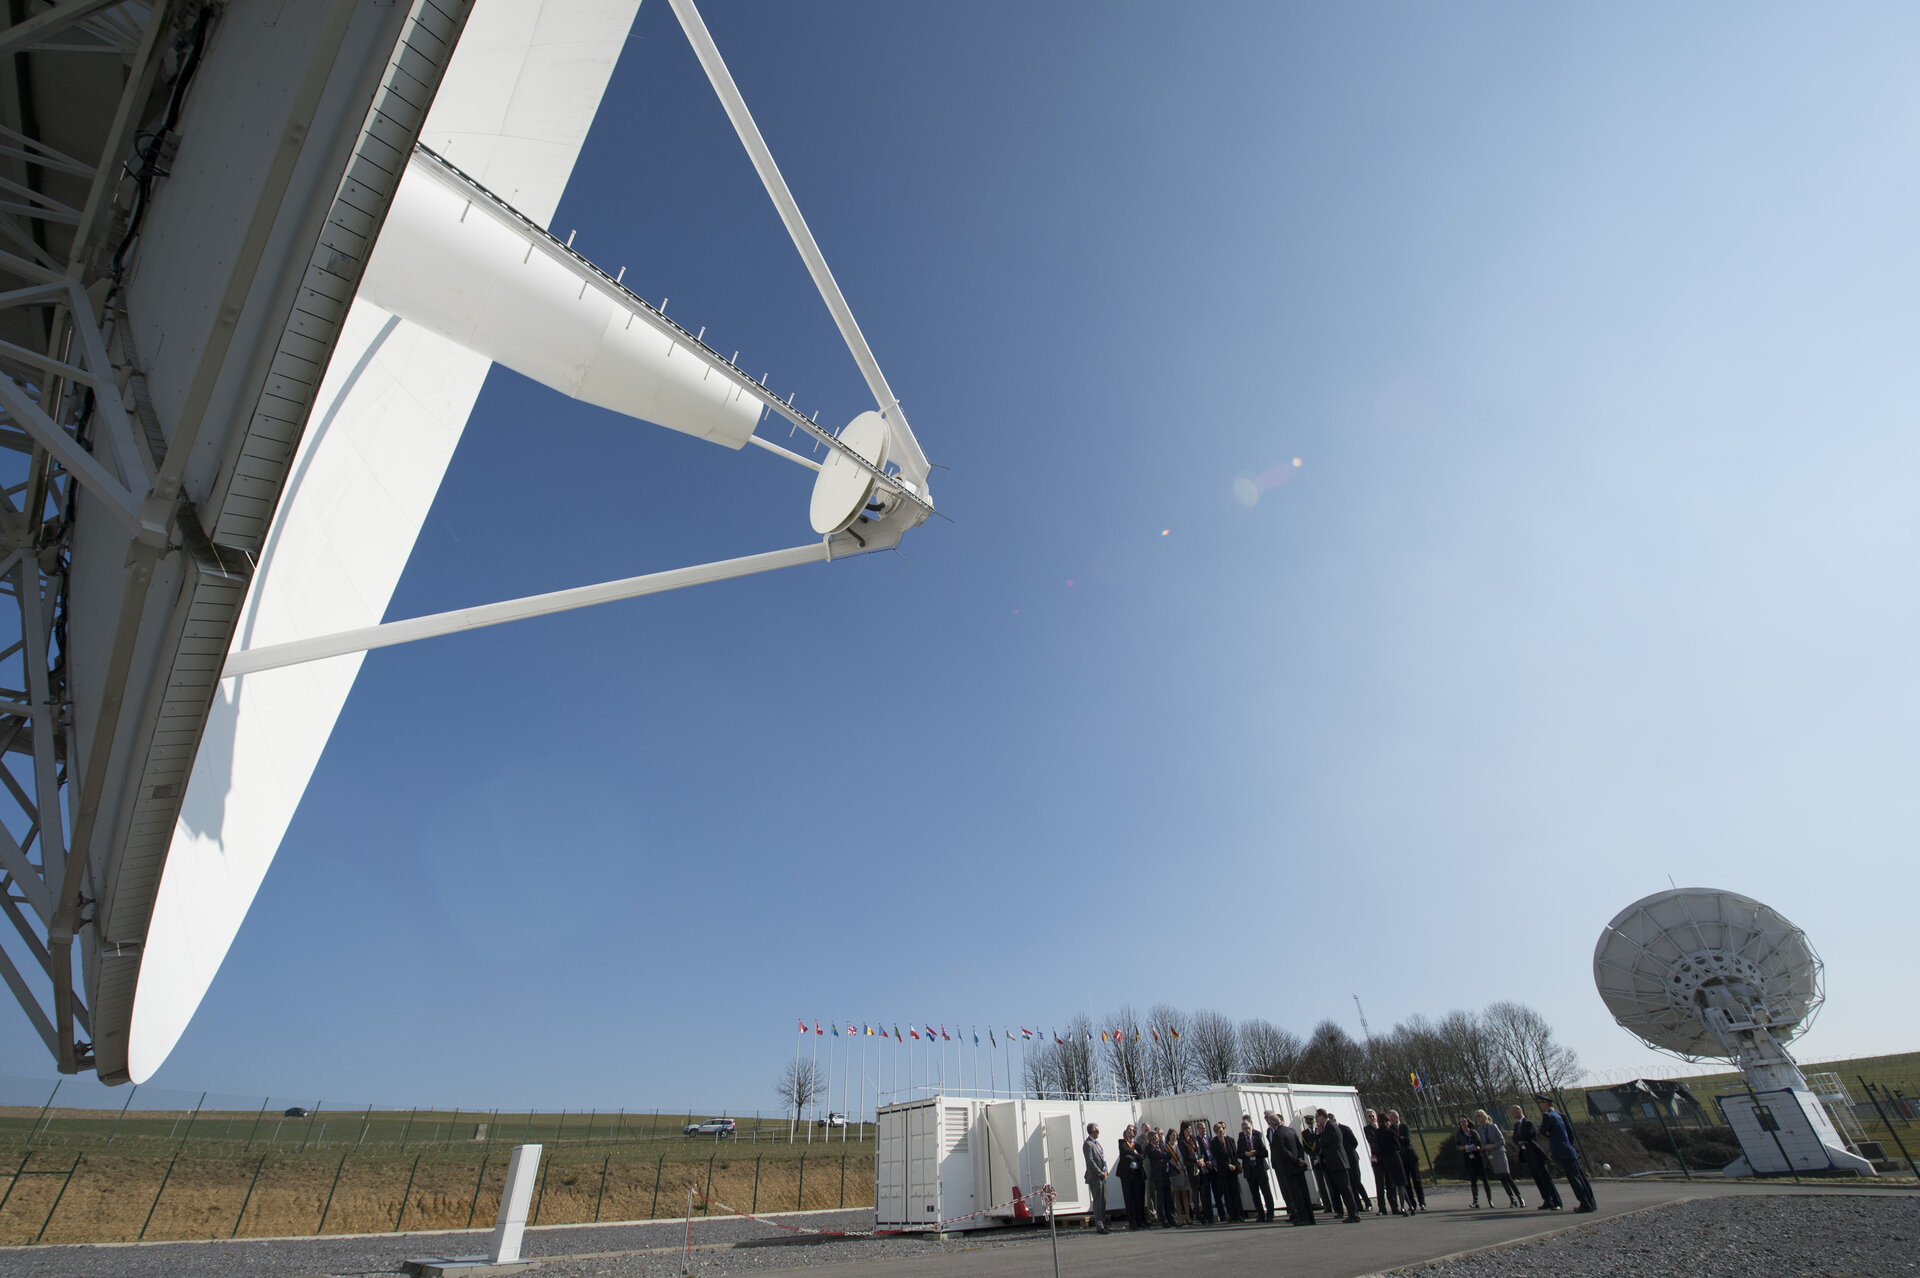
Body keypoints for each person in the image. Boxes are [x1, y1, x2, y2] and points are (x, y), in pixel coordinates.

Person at [1537, 1096, 1596, 1212]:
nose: (1539, 1105)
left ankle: (1585, 1204)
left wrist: (1548, 1132)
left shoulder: (1548, 1116)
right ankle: (1590, 1202)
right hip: (1569, 1149)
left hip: (1561, 1150)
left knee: (1574, 1179)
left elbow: (1543, 1130)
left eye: (1541, 1102)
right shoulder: (1559, 1116)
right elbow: (1570, 1133)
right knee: (1580, 1177)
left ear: (1546, 1104)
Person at [1509, 1104, 1562, 1210]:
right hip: (1527, 1155)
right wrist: (1519, 1140)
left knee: (1546, 1178)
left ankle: (1557, 1201)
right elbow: (1515, 1138)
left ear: (1519, 1110)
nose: (1512, 1114)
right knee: (1538, 1179)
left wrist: (1520, 1138)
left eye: (1514, 1111)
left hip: (1536, 1154)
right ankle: (1547, 1200)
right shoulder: (1516, 1125)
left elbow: (1528, 1135)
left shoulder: (1528, 1123)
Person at [1266, 1111, 1315, 1225]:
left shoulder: (1277, 1135)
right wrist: (1300, 1160)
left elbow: (1283, 1152)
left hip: (1289, 1168)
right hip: (1298, 1167)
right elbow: (1299, 1147)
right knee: (1304, 1192)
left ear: (1272, 1124)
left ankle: (1303, 1217)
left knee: (1296, 1194)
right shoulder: (1291, 1131)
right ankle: (1310, 1217)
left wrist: (1296, 1160)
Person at [1365, 1110, 1413, 1216]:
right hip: (1380, 1159)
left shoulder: (1387, 1129)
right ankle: (1382, 1208)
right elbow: (1372, 1141)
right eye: (1369, 1117)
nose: (1371, 1118)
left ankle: (1395, 1206)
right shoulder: (1368, 1129)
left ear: (1377, 1117)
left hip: (1387, 1159)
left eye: (1373, 1116)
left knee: (1391, 1184)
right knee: (1380, 1184)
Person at [1315, 1113, 1360, 1223]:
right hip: (1334, 1163)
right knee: (1342, 1189)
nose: (1316, 1120)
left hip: (1338, 1162)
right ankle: (1351, 1213)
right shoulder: (1327, 1127)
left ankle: (1353, 1214)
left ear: (1322, 1116)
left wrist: (1318, 1136)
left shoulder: (1330, 1126)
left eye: (1317, 1117)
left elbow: (1324, 1142)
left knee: (1346, 1189)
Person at [1475, 1109, 1522, 1208]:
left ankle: (1519, 1197)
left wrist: (1493, 1145)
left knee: (1507, 1176)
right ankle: (1512, 1199)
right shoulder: (1479, 1130)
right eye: (1477, 1116)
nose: (1479, 1118)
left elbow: (1501, 1140)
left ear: (1484, 1116)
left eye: (1480, 1115)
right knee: (1501, 1178)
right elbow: (1481, 1143)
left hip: (1499, 1153)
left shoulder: (1493, 1126)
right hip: (1491, 1155)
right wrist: (1485, 1147)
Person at [1387, 1110, 1426, 1212]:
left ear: (1397, 1117)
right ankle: (1411, 1203)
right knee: (1406, 1182)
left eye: (1393, 1117)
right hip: (1401, 1159)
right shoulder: (1390, 1129)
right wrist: (1399, 1139)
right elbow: (1393, 1142)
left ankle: (1422, 1202)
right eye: (1390, 1118)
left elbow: (1407, 1140)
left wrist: (1399, 1139)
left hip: (1411, 1156)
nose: (1391, 1120)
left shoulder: (1404, 1127)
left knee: (1416, 1180)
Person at [1239, 1116, 1275, 1222]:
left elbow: (1265, 1153)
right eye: (1245, 1128)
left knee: (1266, 1192)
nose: (1247, 1130)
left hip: (1259, 1168)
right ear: (1242, 1130)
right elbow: (1239, 1153)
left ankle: (1270, 1214)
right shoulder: (1241, 1140)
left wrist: (1256, 1153)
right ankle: (1260, 1214)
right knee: (1255, 1194)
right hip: (1250, 1169)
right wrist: (1246, 1154)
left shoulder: (1257, 1138)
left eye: (1249, 1128)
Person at [1210, 1121, 1246, 1222]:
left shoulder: (1230, 1140)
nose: (1221, 1133)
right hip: (1223, 1171)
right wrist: (1227, 1165)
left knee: (1236, 1193)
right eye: (1218, 1132)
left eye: (1222, 1131)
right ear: (1215, 1133)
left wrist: (1234, 1165)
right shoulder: (1214, 1143)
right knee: (1228, 1194)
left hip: (1233, 1170)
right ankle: (1232, 1215)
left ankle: (1239, 1215)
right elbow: (1217, 1158)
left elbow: (1234, 1154)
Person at [1456, 1115, 1492, 1207]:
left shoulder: (1473, 1132)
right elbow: (1457, 1146)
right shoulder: (1459, 1133)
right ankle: (1475, 1201)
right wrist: (1464, 1147)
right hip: (1468, 1157)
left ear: (1467, 1122)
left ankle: (1490, 1199)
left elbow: (1479, 1144)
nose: (1463, 1123)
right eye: (1461, 1122)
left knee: (1484, 1179)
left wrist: (1477, 1147)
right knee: (1473, 1180)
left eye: (1464, 1121)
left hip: (1477, 1156)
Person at [1116, 1124, 1148, 1229]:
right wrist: (1135, 1153)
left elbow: (1142, 1156)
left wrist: (1133, 1155)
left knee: (1138, 1198)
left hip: (1137, 1174)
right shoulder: (1122, 1142)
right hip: (1126, 1174)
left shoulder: (1137, 1145)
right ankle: (1132, 1222)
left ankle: (1140, 1220)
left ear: (1134, 1132)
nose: (1130, 1131)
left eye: (1132, 1130)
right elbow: (1125, 1150)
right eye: (1128, 1130)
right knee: (1129, 1198)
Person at [1083, 1122, 1112, 1234]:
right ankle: (1099, 1225)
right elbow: (1090, 1161)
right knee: (1098, 1201)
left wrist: (1105, 1170)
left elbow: (1102, 1158)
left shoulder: (1097, 1144)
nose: (1099, 1132)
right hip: (1095, 1177)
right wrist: (1100, 1172)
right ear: (1092, 1131)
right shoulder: (1088, 1144)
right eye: (1097, 1130)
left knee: (1103, 1200)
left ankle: (1103, 1223)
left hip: (1102, 1176)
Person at [1146, 1130, 1180, 1226]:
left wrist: (1163, 1158)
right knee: (1160, 1198)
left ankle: (1172, 1218)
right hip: (1158, 1176)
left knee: (1169, 1197)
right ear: (1150, 1140)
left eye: (1157, 1138)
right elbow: (1158, 1156)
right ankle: (1163, 1219)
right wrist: (1163, 1157)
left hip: (1165, 1174)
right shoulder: (1149, 1148)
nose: (1157, 1140)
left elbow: (1169, 1154)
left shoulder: (1161, 1145)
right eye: (1155, 1139)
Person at [1301, 1112, 1331, 1214]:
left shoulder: (1319, 1130)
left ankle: (1334, 1203)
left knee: (1329, 1182)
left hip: (1323, 1158)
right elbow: (1306, 1148)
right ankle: (1327, 1205)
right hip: (1315, 1160)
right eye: (1309, 1123)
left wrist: (1319, 1154)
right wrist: (1314, 1155)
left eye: (1312, 1123)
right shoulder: (1304, 1134)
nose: (1311, 1125)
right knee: (1320, 1184)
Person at [1338, 1116, 1370, 1213]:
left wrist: (1349, 1151)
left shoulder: (1344, 1129)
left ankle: (1367, 1203)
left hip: (1352, 1158)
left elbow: (1354, 1142)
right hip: (1345, 1160)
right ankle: (1358, 1205)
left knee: (1357, 1182)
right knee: (1351, 1184)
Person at [1169, 1122, 1193, 1225]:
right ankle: (1179, 1218)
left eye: (1176, 1135)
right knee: (1176, 1196)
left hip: (1183, 1170)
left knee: (1185, 1195)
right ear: (1169, 1136)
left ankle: (1188, 1217)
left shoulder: (1180, 1144)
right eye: (1172, 1135)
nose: (1174, 1136)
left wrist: (1182, 1166)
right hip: (1174, 1172)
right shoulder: (1167, 1147)